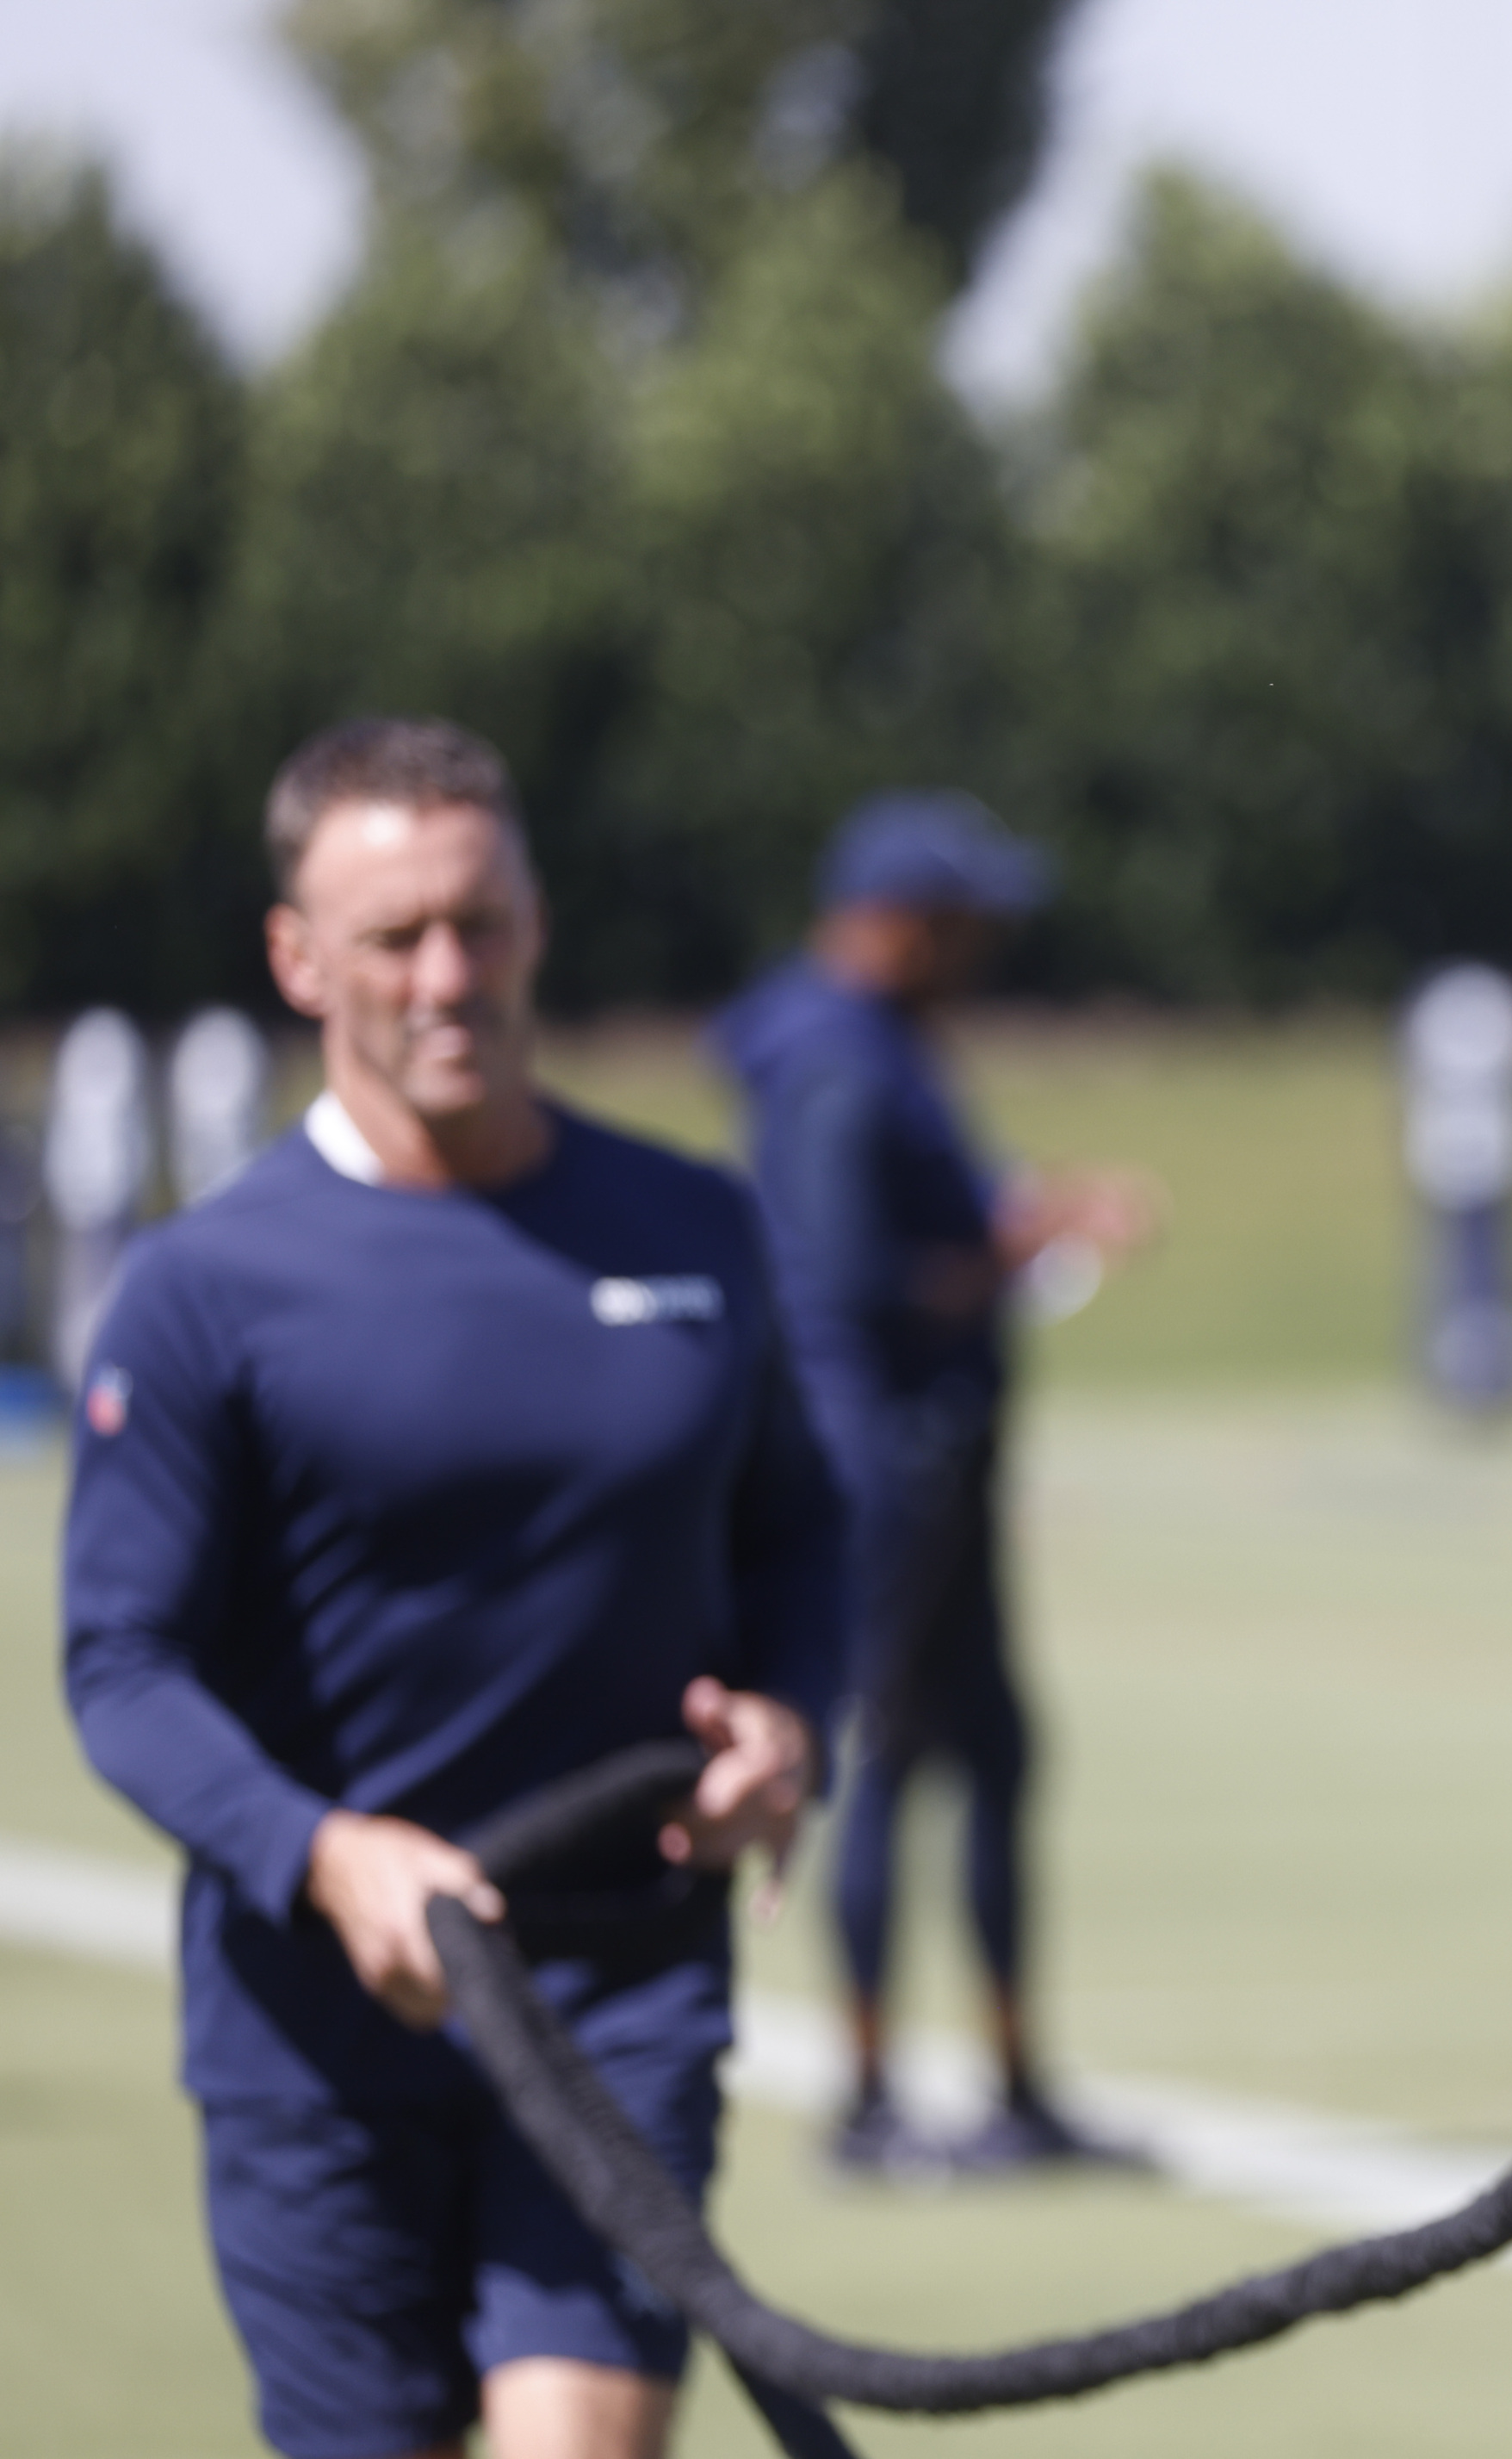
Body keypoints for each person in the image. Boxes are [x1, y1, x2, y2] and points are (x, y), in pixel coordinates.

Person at [62, 716, 844, 2459]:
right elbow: (119, 1665)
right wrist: (326, 1858)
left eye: (479, 922)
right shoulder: (209, 1288)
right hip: (316, 2044)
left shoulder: (693, 1225)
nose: (446, 975)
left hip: (622, 1995)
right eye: (394, 935)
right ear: (297, 958)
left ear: (537, 922)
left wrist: (792, 1721)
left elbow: (801, 1528)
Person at [710, 790, 1153, 2175]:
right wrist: (1037, 1232)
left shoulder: (874, 1043)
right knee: (889, 1763)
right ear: (896, 924)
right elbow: (853, 1283)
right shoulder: (839, 1061)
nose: (983, 953)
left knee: (998, 1759)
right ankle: (866, 2099)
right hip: (880, 1462)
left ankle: (1013, 2089)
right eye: (965, 927)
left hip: (933, 1458)